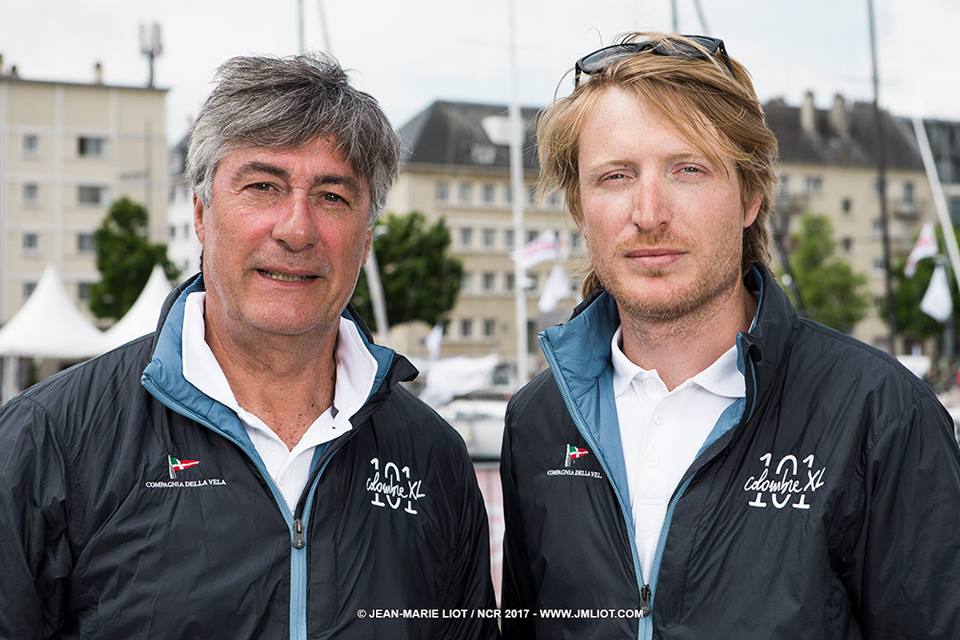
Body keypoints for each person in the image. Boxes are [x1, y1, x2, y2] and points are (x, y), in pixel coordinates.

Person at [0, 53, 497, 639]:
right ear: (201, 214)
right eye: (263, 186)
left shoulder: (432, 456)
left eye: (333, 196)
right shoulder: (49, 439)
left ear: (366, 239)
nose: (296, 229)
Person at [500, 32, 960, 639]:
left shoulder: (881, 417)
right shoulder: (538, 422)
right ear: (580, 207)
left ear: (751, 195)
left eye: (688, 169)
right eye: (615, 177)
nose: (649, 212)